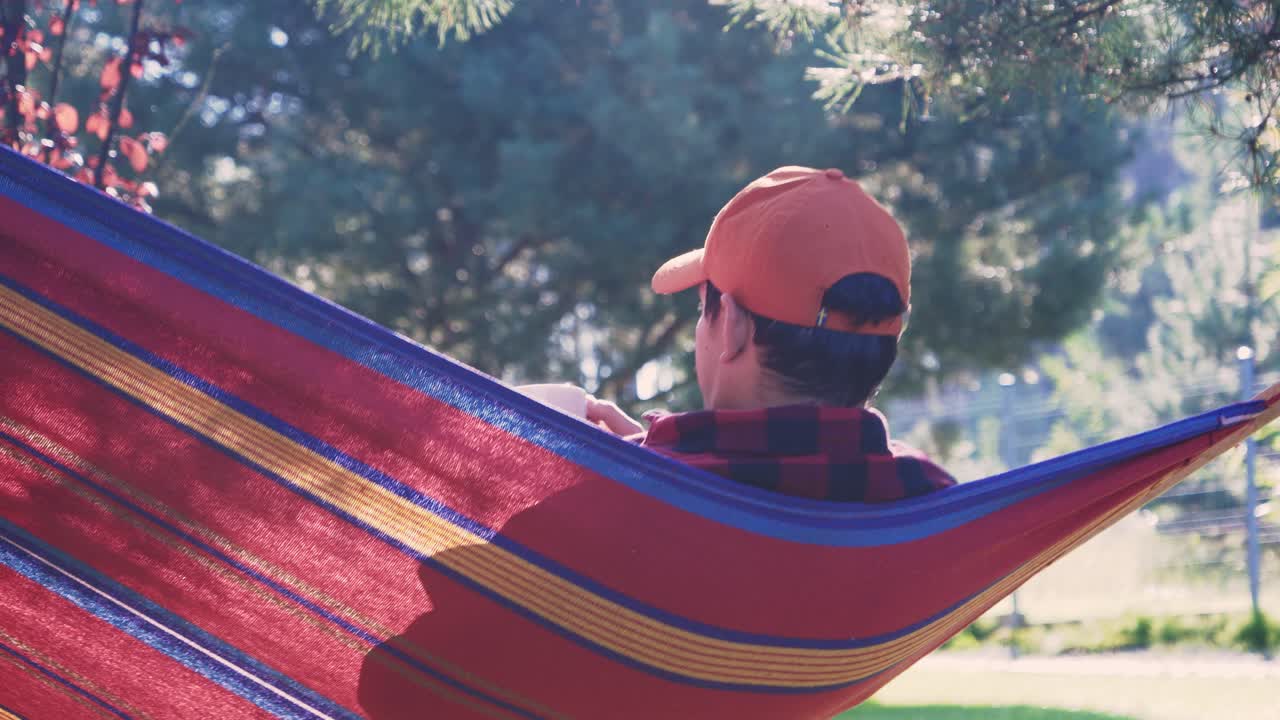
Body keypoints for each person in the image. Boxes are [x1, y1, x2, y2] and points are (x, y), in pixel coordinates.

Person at [584, 165, 955, 502]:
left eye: (702, 310)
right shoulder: (936, 503)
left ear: (732, 326)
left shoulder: (614, 500)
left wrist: (631, 466)